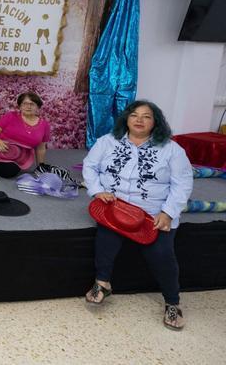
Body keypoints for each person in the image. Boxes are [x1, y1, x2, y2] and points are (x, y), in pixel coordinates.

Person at [82, 100, 193, 330]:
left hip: (153, 214)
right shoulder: (107, 142)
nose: (139, 120)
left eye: (146, 116)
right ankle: (102, 284)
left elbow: (182, 184)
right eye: (134, 115)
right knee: (105, 240)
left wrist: (168, 213)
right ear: (126, 119)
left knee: (161, 254)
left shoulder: (172, 150)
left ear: (156, 122)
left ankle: (172, 302)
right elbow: (90, 166)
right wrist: (97, 190)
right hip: (114, 208)